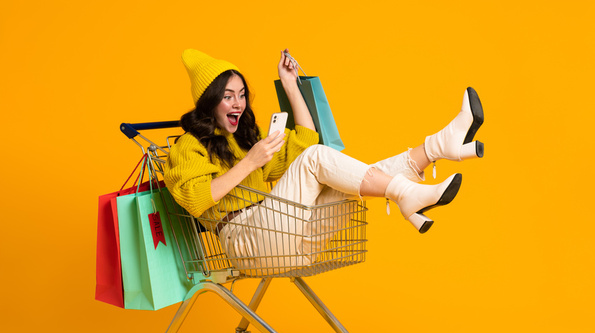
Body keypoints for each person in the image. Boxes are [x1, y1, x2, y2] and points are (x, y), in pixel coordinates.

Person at [165, 49, 484, 274]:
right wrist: (250, 162)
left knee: (348, 182)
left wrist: (290, 84)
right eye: (228, 96)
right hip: (247, 242)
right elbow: (194, 199)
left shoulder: (247, 137)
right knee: (319, 160)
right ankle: (414, 184)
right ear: (209, 101)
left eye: (242, 94)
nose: (239, 103)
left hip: (293, 241)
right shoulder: (188, 147)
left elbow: (305, 143)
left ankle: (436, 148)